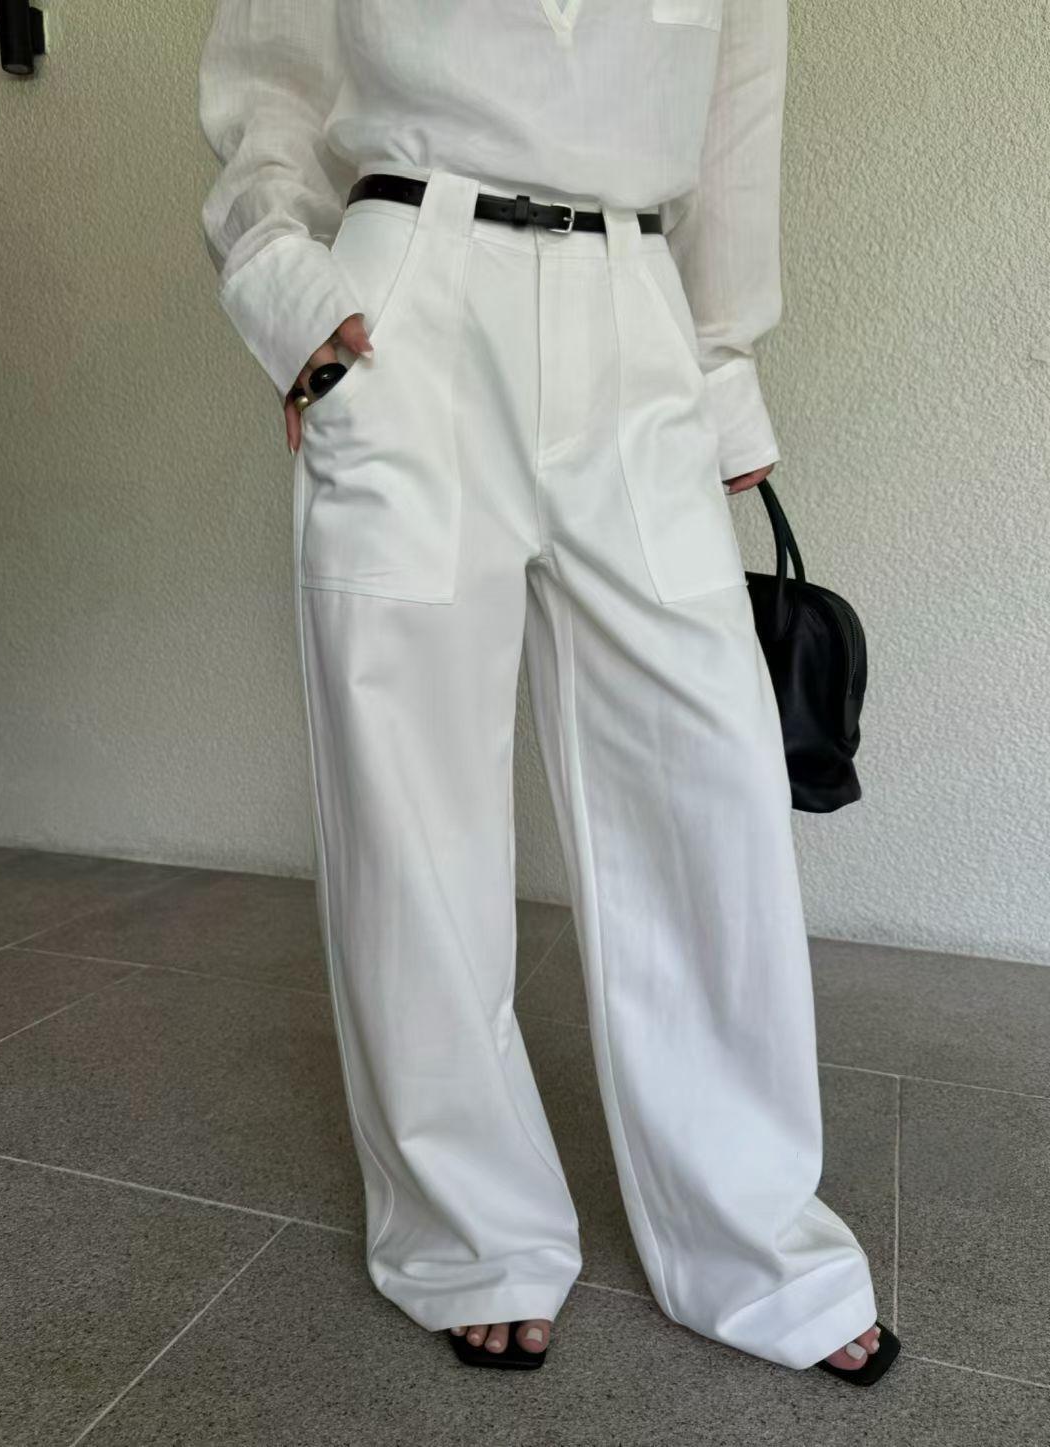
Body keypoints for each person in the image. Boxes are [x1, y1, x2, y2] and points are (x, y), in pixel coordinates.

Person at [197, 0, 899, 1382]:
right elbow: (273, 68)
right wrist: (287, 287)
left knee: (708, 780)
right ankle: (473, 1230)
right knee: (410, 794)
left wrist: (721, 367)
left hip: (634, 305)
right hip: (409, 295)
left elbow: (736, 116)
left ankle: (753, 1235)